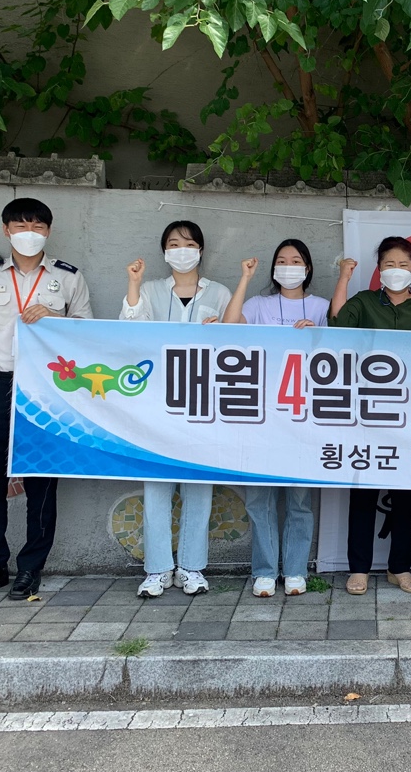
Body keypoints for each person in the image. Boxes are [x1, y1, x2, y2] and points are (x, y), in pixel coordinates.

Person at [0, 198, 93, 602]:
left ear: (48, 231)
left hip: (45, 389)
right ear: (6, 231)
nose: (30, 233)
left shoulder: (69, 277)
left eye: (38, 226)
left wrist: (55, 318)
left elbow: (88, 332)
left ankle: (30, 569)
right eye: (21, 226)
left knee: (41, 481)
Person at [121, 220, 232, 598]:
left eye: (188, 243)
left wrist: (220, 334)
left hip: (203, 403)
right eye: (173, 243)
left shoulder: (219, 292)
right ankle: (157, 570)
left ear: (200, 250)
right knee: (157, 486)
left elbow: (237, 342)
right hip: (156, 402)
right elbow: (129, 331)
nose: (181, 250)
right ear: (164, 252)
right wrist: (134, 283)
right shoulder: (150, 290)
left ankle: (191, 567)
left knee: (198, 486)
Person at [330, 237, 411, 595]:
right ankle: (359, 568)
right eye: (389, 265)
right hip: (368, 410)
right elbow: (337, 327)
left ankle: (400, 567)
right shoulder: (364, 301)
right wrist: (344, 278)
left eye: (403, 265)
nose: (397, 271)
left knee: (406, 492)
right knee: (363, 489)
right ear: (379, 268)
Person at [222, 238, 327, 598]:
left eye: (296, 261)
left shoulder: (321, 307)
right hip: (260, 415)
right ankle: (265, 571)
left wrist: (316, 336)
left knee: (299, 500)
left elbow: (338, 353)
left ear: (307, 268)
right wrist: (245, 278)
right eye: (282, 260)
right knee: (259, 498)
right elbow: (230, 327)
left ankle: (295, 570)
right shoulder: (258, 304)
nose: (288, 266)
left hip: (303, 416)